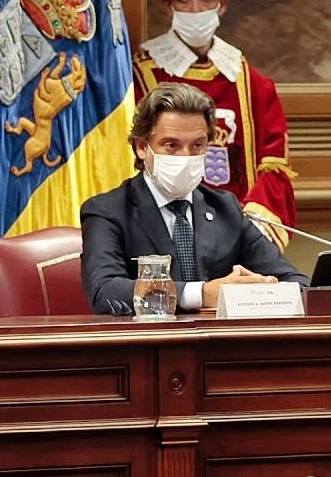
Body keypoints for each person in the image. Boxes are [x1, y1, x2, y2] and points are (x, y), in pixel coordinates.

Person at [134, 0, 298, 251]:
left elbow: (273, 163)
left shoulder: (252, 83)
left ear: (222, 5)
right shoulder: (140, 75)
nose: (195, 9)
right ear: (168, 5)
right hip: (161, 233)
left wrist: (254, 220)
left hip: (237, 230)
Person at [80, 82, 308, 315]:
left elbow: (297, 282)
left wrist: (264, 288)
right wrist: (201, 294)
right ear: (141, 147)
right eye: (171, 145)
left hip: (220, 345)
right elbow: (105, 291)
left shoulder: (225, 207)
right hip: (147, 346)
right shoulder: (107, 210)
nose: (185, 156)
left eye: (197, 145)